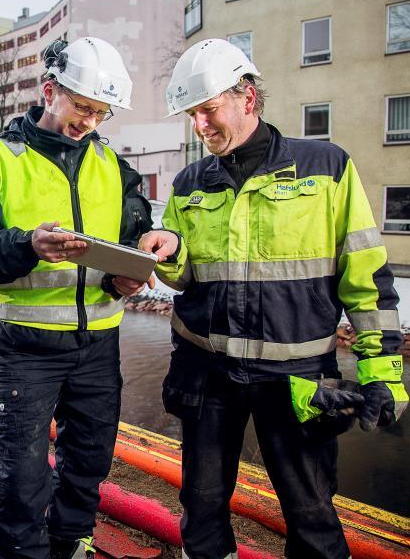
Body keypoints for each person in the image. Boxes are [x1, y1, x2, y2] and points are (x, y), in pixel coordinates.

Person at [139, 38, 408, 559]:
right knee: (202, 502)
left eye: (208, 110)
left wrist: (382, 373)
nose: (200, 126)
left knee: (311, 512)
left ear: (246, 97)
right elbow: (185, 276)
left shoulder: (325, 167)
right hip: (208, 371)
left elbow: (366, 275)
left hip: (296, 376)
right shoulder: (191, 181)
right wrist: (170, 252)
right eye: (192, 115)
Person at [0, 37, 152, 559]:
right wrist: (27, 244)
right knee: (22, 474)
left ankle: (70, 543)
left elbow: (135, 238)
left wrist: (127, 276)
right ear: (50, 90)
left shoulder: (114, 167)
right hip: (25, 349)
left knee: (89, 460)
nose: (90, 121)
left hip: (98, 347)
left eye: (101, 112)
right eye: (83, 107)